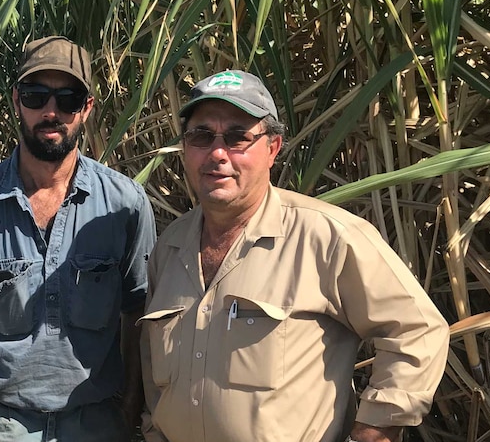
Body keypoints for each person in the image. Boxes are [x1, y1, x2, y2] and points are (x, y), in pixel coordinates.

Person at [140, 70, 450, 442]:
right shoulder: (169, 248)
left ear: (272, 148)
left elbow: (417, 330)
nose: (217, 153)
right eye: (201, 136)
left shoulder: (327, 237)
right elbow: (155, 380)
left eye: (238, 137)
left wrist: (373, 431)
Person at [0, 36, 156, 442]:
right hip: (2, 424)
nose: (51, 111)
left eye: (69, 98)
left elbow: (139, 311)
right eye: (36, 95)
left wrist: (130, 405)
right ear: (16, 101)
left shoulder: (125, 204)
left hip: (97, 423)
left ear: (87, 108)